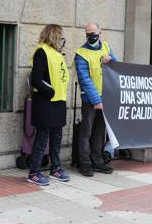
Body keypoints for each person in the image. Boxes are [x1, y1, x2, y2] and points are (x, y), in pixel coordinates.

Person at [26, 24, 70, 186]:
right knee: (42, 138)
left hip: (58, 102)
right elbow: (36, 78)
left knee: (56, 137)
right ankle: (34, 172)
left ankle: (56, 168)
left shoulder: (56, 54)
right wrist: (50, 92)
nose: (61, 40)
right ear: (53, 36)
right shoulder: (41, 52)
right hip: (46, 102)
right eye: (60, 36)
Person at [75, 22, 118, 177]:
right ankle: (85, 164)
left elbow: (117, 67)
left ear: (101, 33)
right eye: (88, 34)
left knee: (100, 132)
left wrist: (111, 61)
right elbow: (84, 80)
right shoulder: (81, 53)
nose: (91, 37)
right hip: (90, 100)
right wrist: (96, 100)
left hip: (106, 97)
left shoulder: (106, 46)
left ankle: (98, 162)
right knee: (86, 132)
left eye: (94, 34)